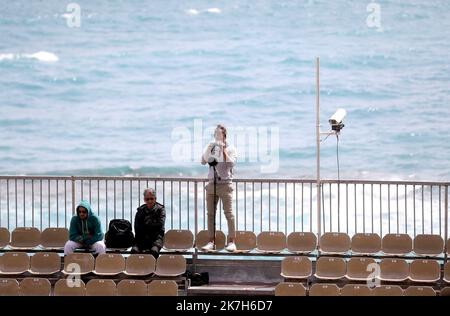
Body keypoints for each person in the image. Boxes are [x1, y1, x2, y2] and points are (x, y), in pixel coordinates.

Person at [201, 124, 237, 252]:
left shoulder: (231, 148)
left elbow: (231, 163)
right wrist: (210, 148)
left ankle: (232, 241)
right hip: (212, 184)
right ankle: (211, 241)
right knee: (210, 214)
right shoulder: (211, 147)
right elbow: (203, 161)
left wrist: (223, 150)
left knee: (229, 214)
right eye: (215, 134)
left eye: (219, 134)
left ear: (224, 135)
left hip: (225, 185)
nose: (217, 136)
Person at [132, 188, 166, 258]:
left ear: (155, 199)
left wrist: (145, 225)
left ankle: (153, 268)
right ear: (144, 200)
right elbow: (137, 228)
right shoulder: (140, 211)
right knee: (134, 251)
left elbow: (160, 225)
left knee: (154, 251)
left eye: (151, 199)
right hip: (141, 239)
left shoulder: (161, 210)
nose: (150, 201)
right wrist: (151, 225)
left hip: (156, 239)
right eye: (147, 199)